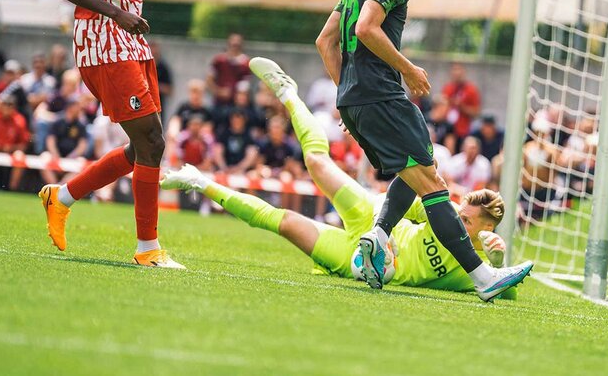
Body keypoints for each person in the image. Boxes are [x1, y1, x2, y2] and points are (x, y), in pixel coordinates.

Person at [162, 58, 531, 296]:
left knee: (285, 222)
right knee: (319, 165)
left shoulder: (474, 264)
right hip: (371, 222)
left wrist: (497, 265)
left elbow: (508, 292)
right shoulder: (442, 212)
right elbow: (400, 197)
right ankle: (289, 94)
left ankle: (197, 180)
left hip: (355, 260)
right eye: (461, 212)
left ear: (486, 231)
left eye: (467, 220)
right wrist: (385, 233)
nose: (458, 217)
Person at [313, 0, 530, 300]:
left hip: (357, 101)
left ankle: (378, 238)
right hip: (382, 95)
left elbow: (325, 40)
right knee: (433, 186)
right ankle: (483, 278)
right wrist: (408, 69)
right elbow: (366, 28)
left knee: (417, 170)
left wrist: (347, 95)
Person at [41, 0, 190, 268]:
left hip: (127, 38)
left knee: (147, 146)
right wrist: (118, 14)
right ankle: (148, 250)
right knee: (151, 141)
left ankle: (62, 196)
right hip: (104, 42)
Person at [41, 97, 90, 186]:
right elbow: (50, 140)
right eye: (77, 107)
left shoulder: (81, 125)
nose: (80, 110)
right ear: (70, 108)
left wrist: (72, 156)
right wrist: (55, 154)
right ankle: (54, 186)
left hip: (72, 159)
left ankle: (61, 187)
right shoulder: (58, 122)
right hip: (56, 156)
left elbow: (82, 145)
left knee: (82, 162)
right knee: (44, 157)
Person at [208, 33, 251, 106]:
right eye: (233, 44)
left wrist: (239, 96)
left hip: (236, 103)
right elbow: (209, 79)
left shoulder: (245, 62)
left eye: (237, 45)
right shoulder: (219, 60)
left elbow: (245, 84)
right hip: (219, 101)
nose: (235, 47)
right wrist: (219, 91)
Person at [441, 63, 481, 140]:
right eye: (454, 70)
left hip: (462, 130)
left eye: (459, 70)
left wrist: (462, 107)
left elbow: (476, 112)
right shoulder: (447, 88)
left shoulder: (471, 90)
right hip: (447, 129)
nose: (457, 73)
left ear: (464, 72)